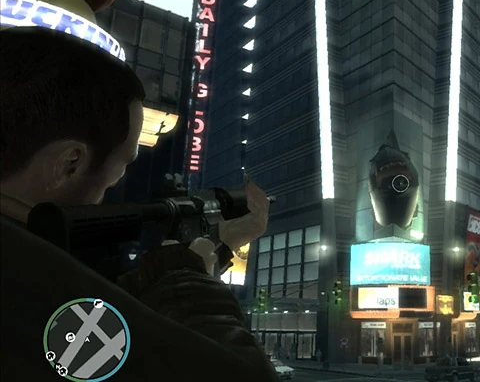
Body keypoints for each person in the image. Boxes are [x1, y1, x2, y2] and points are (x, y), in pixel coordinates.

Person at [0, 27, 279, 381]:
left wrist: (211, 250)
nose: (116, 180)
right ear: (70, 162)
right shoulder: (28, 280)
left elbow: (108, 315)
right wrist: (190, 279)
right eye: (124, 163)